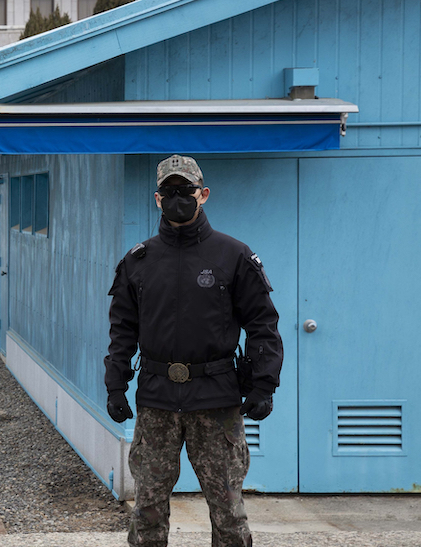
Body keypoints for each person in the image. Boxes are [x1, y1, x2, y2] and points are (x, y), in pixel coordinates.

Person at [104, 155, 283, 547]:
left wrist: (264, 384)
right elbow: (122, 330)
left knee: (228, 512)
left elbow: (262, 324)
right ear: (157, 199)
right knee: (148, 511)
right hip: (157, 400)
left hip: (216, 400)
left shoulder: (233, 256)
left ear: (203, 195)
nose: (177, 198)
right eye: (169, 192)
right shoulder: (138, 262)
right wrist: (115, 384)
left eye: (185, 191)